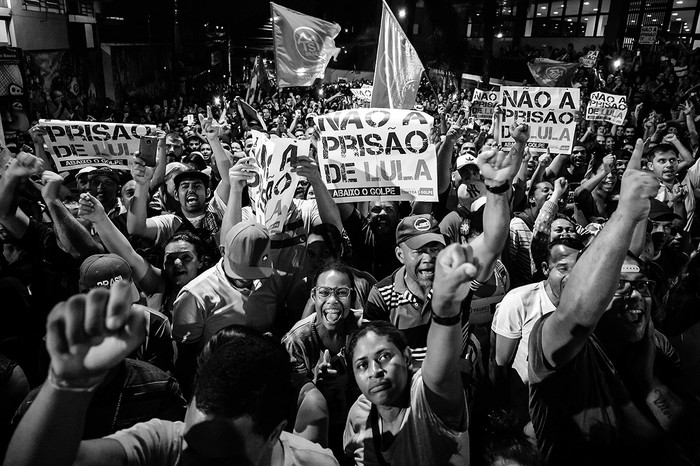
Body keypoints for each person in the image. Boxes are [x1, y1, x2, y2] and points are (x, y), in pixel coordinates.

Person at [4, 283, 338, 465]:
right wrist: (67, 384)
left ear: (275, 433)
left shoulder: (313, 462)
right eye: (194, 446)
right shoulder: (164, 443)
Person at [528, 139, 700, 465]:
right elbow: (579, 312)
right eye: (617, 288)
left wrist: (648, 381)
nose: (633, 295)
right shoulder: (551, 340)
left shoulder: (651, 349)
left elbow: (678, 440)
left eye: (640, 286)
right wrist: (625, 213)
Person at [344, 242, 477, 465]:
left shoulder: (429, 397)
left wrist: (446, 309)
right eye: (362, 365)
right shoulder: (358, 413)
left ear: (406, 357)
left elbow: (440, 368)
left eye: (384, 357)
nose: (375, 371)